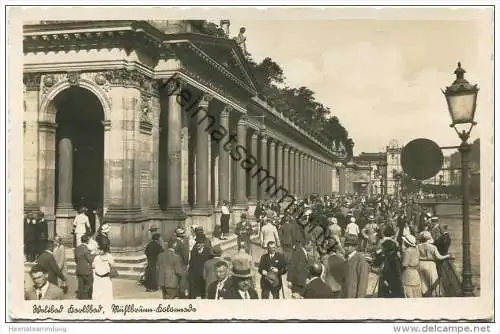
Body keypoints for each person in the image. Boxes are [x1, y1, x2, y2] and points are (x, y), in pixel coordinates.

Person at [418, 231, 450, 297]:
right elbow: (439, 257)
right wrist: (447, 256)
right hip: (430, 264)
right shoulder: (433, 247)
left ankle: (423, 293)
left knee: (423, 281)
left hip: (421, 263)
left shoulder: (418, 246)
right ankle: (434, 294)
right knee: (433, 280)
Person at [401, 234, 422, 298]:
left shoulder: (407, 251)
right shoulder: (416, 250)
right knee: (415, 294)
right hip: (415, 274)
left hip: (408, 274)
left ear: (407, 243)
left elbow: (404, 264)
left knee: (408, 293)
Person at [75, 235, 94, 299]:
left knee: (80, 284)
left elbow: (76, 259)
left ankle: (80, 296)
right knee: (89, 284)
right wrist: (93, 254)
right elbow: (90, 260)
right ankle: (86, 297)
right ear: (87, 241)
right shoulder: (86, 249)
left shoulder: (77, 248)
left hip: (79, 269)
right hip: (86, 270)